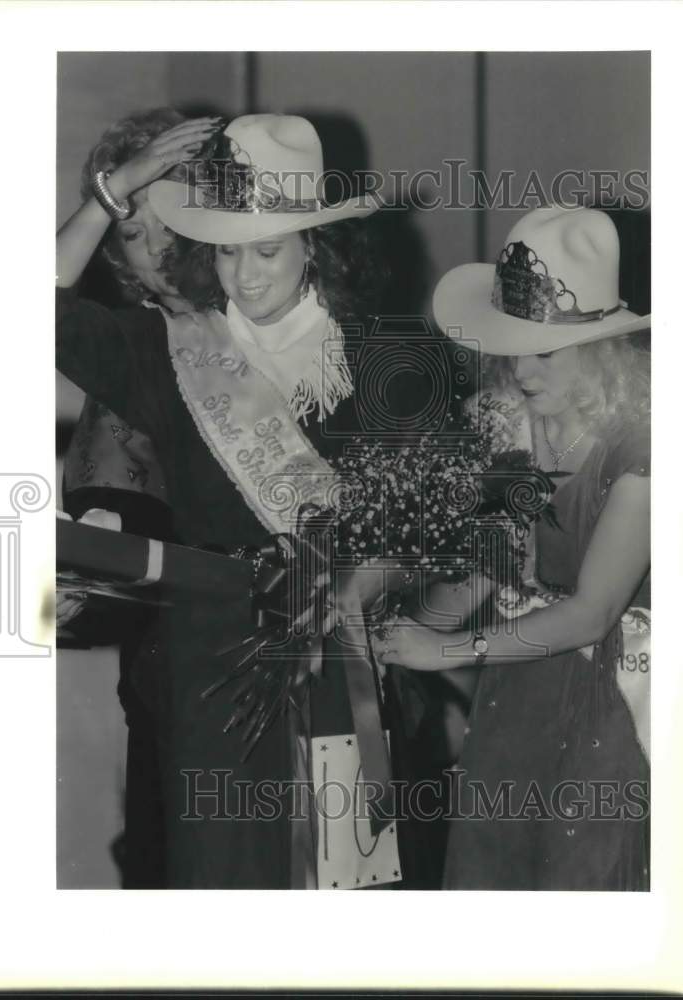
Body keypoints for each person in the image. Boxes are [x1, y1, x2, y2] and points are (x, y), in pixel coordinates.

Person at [56, 112, 432, 888]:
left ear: (317, 247)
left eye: (266, 251)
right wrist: (109, 192)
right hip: (212, 677)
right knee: (226, 892)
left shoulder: (388, 359)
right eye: (226, 252)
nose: (245, 277)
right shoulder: (168, 350)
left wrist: (354, 586)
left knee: (341, 903)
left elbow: (438, 529)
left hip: (350, 664)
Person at [372, 206, 651, 890]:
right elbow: (490, 570)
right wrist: (398, 627)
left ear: (601, 345)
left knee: (581, 882)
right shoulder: (516, 427)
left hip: (619, 692)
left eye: (545, 351)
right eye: (512, 346)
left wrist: (444, 650)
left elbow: (591, 612)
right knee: (496, 880)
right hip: (520, 685)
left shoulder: (646, 447)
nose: (522, 370)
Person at [58, 107, 201, 887]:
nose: (159, 256)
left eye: (173, 225)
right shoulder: (135, 356)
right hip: (183, 676)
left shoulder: (299, 332)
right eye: (134, 234)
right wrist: (113, 190)